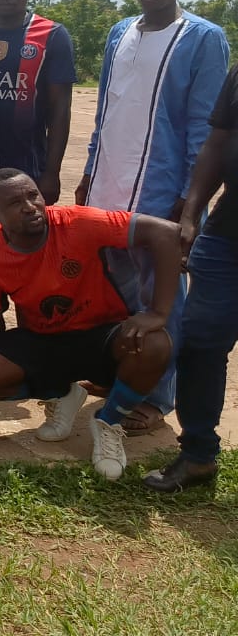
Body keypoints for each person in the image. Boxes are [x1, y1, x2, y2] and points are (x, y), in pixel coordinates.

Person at [77, 0, 229, 435]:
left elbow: (204, 128)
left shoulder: (202, 37)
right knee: (115, 292)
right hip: (107, 185)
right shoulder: (120, 31)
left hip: (161, 191)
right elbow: (103, 111)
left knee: (161, 297)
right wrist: (88, 173)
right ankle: (123, 372)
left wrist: (189, 204)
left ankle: (156, 397)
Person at [0, 169, 179, 480]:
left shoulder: (77, 222)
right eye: (14, 203)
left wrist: (158, 312)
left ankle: (109, 421)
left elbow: (165, 233)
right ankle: (61, 393)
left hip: (101, 334)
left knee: (154, 342)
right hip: (43, 340)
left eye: (33, 195)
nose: (30, 206)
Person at [144, 61, 238, 491]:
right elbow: (217, 143)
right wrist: (192, 210)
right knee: (200, 342)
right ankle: (198, 453)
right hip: (226, 234)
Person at [0, 0, 75, 235]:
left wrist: (52, 172)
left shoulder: (52, 35)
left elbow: (60, 111)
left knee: (25, 236)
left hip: (28, 159)